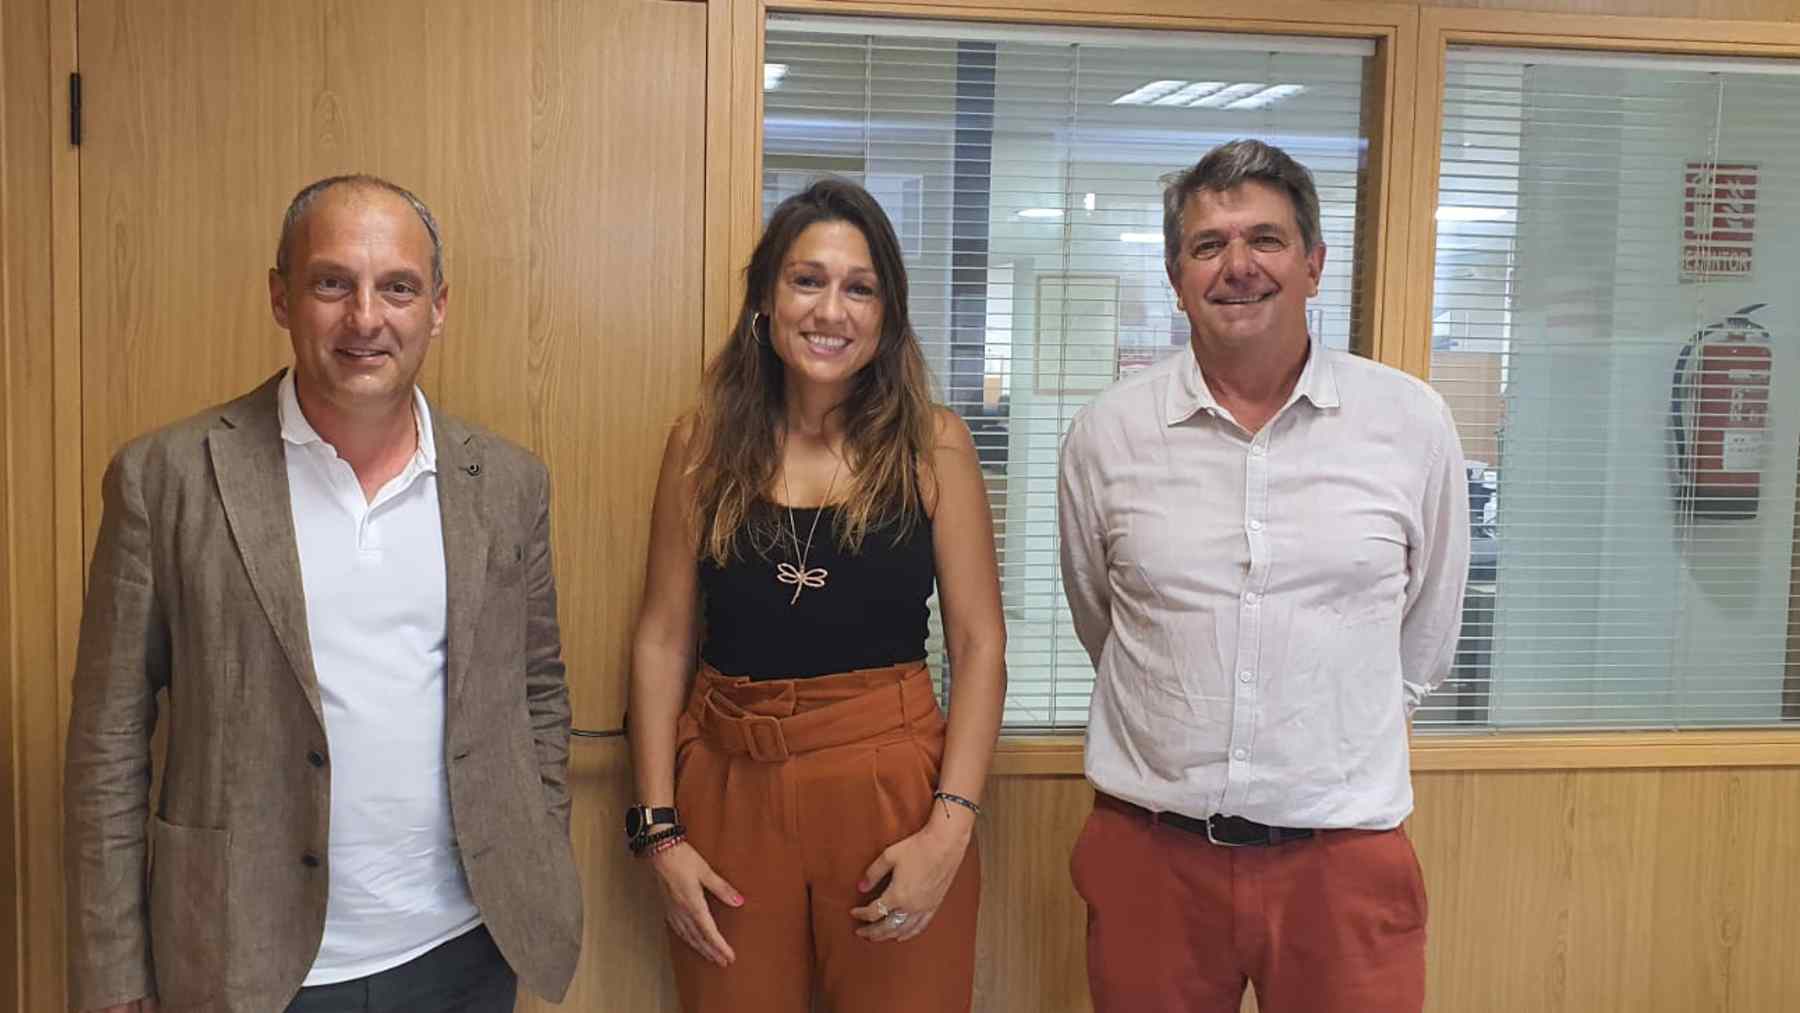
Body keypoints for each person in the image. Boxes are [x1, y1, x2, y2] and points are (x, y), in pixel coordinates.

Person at [63, 175, 583, 1013]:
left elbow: (539, 690)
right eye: (332, 282)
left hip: (465, 949)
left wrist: (532, 844)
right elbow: (107, 745)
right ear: (281, 297)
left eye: (398, 287)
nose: (366, 318)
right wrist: (114, 981)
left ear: (438, 307)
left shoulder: (508, 483)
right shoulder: (167, 480)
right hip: (245, 962)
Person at [1057, 139, 1469, 1013]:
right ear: (1177, 277)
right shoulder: (1107, 436)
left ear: (1314, 264)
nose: (1237, 266)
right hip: (1152, 857)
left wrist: (1324, 741)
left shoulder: (1411, 424)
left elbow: (1424, 635)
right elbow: (1107, 619)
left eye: (1266, 240)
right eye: (1208, 245)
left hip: (1343, 862)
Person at [625, 177, 1006, 1013]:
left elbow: (979, 646)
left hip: (892, 788)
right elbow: (661, 639)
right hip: (728, 787)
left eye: (859, 288)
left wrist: (951, 827)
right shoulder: (700, 443)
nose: (831, 310)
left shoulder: (932, 444)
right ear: (767, 296)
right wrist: (658, 829)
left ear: (887, 313)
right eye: (808, 280)